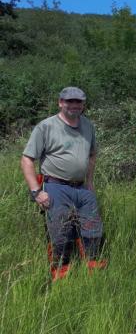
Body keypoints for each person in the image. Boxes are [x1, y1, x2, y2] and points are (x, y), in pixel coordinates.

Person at [21, 87, 105, 280]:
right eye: (69, 101)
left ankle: (92, 265)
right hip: (55, 185)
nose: (74, 105)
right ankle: (60, 270)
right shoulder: (46, 126)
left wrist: (90, 183)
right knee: (60, 230)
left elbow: (92, 156)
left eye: (78, 102)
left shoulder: (88, 126)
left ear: (83, 105)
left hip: (82, 187)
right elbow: (27, 159)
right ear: (60, 102)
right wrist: (36, 191)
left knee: (92, 227)